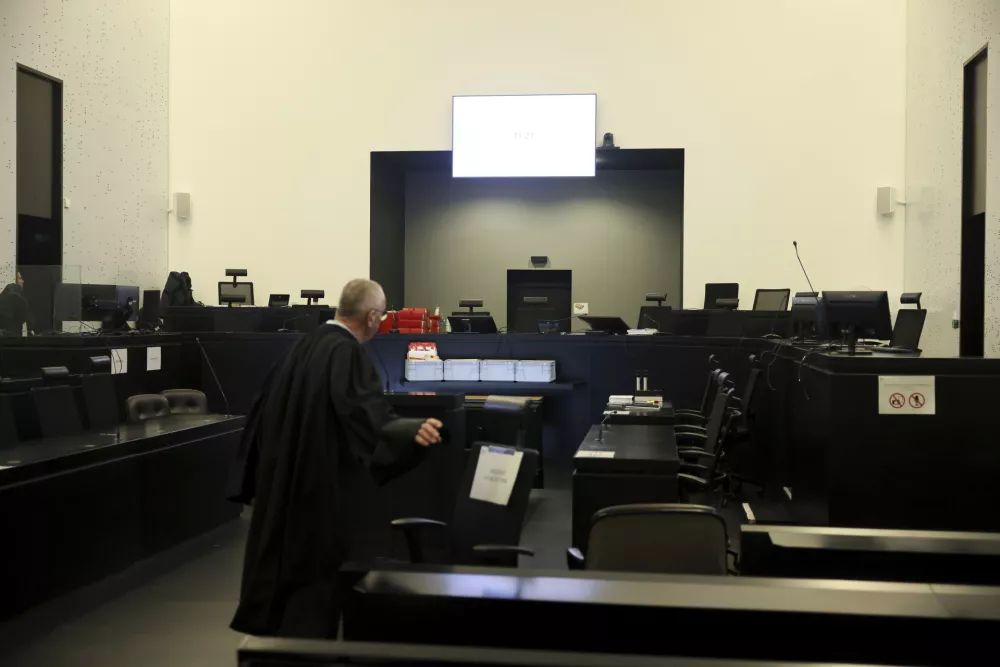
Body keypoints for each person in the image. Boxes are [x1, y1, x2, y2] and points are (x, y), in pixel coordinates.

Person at [229, 278, 442, 638]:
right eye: (384, 314)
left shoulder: (303, 346)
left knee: (286, 563)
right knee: (317, 570)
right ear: (372, 316)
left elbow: (263, 409)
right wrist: (409, 431)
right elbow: (363, 411)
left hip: (284, 478)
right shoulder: (345, 352)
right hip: (320, 482)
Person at [0, 271, 35, 336]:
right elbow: (30, 320)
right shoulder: (19, 298)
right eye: (20, 278)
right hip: (14, 338)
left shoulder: (2, 296)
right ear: (15, 280)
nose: (22, 281)